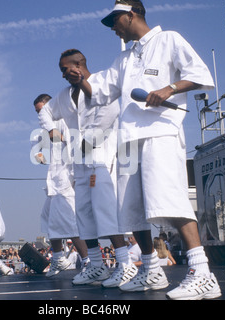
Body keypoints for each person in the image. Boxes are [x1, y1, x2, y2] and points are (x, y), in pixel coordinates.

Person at [71, 0, 221, 299]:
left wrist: (170, 89)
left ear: (131, 14)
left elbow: (201, 74)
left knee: (171, 200)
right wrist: (79, 78)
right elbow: (99, 90)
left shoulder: (169, 39)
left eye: (115, 19)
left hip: (160, 132)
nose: (112, 27)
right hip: (129, 140)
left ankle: (202, 272)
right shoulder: (124, 59)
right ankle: (151, 270)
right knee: (132, 211)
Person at [38, 49, 137, 288]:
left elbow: (109, 113)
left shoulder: (101, 84)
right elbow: (45, 111)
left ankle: (125, 264)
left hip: (101, 160)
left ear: (78, 65)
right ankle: (96, 265)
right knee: (82, 214)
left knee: (105, 211)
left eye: (65, 69)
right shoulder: (63, 95)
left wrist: (83, 142)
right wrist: (51, 128)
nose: (63, 75)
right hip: (79, 165)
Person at [32, 93, 89, 277]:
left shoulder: (64, 120)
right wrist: (40, 156)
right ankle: (59, 259)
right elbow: (45, 151)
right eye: (37, 112)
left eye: (41, 110)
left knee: (69, 222)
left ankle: (89, 262)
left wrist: (75, 179)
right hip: (54, 181)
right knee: (48, 218)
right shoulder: (46, 130)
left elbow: (74, 146)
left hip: (65, 180)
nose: (39, 115)